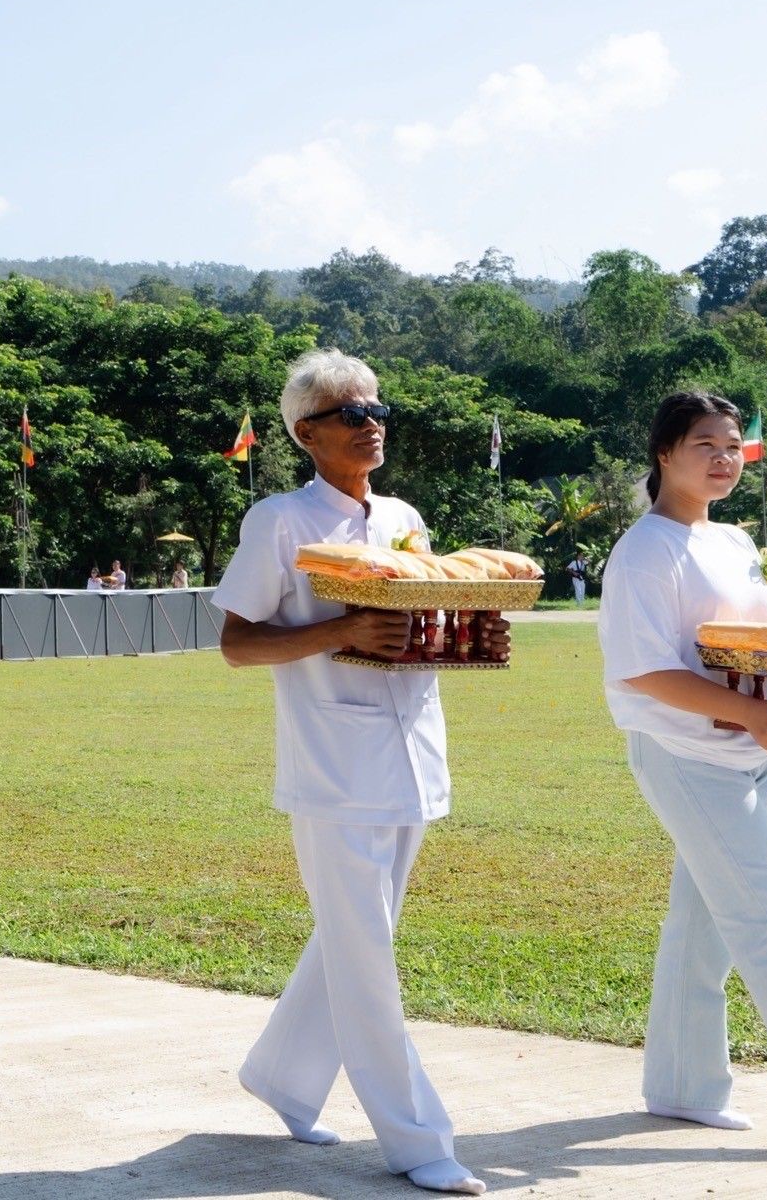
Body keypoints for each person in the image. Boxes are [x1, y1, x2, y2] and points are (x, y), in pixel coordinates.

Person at [213, 349, 499, 1197]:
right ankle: (420, 1141)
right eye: (350, 413)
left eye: (378, 409)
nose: (372, 423)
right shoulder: (279, 520)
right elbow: (236, 642)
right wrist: (335, 635)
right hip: (334, 765)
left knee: (357, 936)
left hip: (412, 748)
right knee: (366, 952)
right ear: (306, 433)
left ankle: (283, 1076)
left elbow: (417, 615)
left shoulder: (404, 516)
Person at [597, 390, 767, 1137]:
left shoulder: (731, 542)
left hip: (757, 753)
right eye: (706, 445)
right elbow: (640, 671)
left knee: (704, 924)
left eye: (732, 446)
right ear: (665, 453)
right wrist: (753, 713)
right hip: (689, 756)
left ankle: (684, 1086)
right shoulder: (643, 551)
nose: (725, 458)